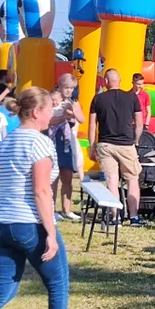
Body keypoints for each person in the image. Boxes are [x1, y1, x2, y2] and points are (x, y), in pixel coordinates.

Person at [0, 87, 84, 309]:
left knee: (3, 289)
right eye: (49, 110)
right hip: (29, 223)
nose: (51, 114)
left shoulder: (9, 139)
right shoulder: (39, 143)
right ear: (37, 112)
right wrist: (51, 234)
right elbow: (42, 191)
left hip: (2, 222)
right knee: (57, 283)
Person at [88, 69, 144, 226]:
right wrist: (136, 140)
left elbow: (92, 125)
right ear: (120, 81)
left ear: (105, 82)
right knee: (132, 179)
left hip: (105, 144)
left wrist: (92, 146)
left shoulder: (97, 99)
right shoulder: (132, 97)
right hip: (126, 144)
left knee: (112, 181)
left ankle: (115, 217)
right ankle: (134, 217)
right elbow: (139, 123)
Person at [48, 74, 85, 221]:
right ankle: (50, 209)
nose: (69, 91)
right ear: (60, 86)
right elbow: (48, 120)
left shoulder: (73, 102)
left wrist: (72, 111)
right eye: (66, 88)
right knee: (53, 177)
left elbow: (81, 119)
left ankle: (66, 209)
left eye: (72, 88)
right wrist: (63, 116)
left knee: (67, 176)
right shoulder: (51, 100)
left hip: (67, 142)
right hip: (52, 140)